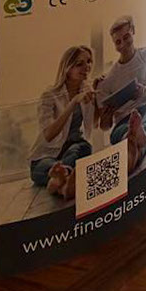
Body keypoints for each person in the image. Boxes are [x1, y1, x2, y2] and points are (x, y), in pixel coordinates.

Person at [29, 46, 96, 198]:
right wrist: (73, 102)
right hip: (46, 154)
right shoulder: (49, 95)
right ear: (67, 68)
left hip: (72, 148)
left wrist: (103, 93)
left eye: (89, 61)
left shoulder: (87, 89)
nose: (87, 67)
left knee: (84, 147)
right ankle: (64, 178)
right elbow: (48, 135)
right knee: (44, 167)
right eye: (79, 64)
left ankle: (60, 179)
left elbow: (96, 124)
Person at [95, 15, 146, 173]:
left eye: (126, 37)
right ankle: (136, 135)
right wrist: (107, 116)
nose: (123, 44)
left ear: (133, 31)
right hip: (121, 120)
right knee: (122, 133)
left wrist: (144, 90)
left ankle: (133, 139)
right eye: (118, 42)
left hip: (142, 108)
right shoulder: (108, 79)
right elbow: (105, 126)